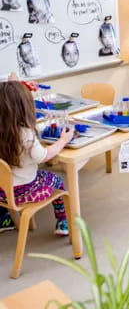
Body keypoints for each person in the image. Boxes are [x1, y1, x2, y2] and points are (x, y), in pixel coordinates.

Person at [0, 81, 74, 235]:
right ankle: (63, 222)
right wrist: (63, 141)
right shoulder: (25, 133)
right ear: (24, 107)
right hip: (23, 192)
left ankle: (3, 219)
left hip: (2, 191)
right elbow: (43, 156)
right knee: (57, 181)